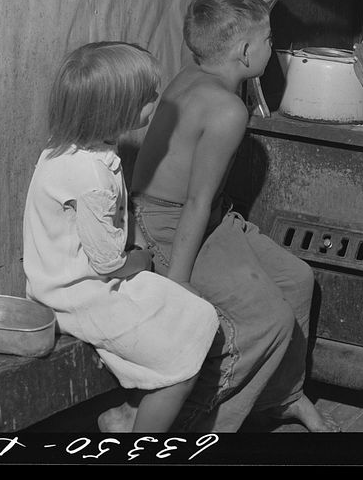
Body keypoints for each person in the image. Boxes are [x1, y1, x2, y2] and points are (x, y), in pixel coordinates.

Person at [126, 0, 339, 432]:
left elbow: (205, 202)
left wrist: (252, 1)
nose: (270, 46)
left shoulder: (201, 72)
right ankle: (175, 423)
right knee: (269, 321)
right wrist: (177, 285)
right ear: (245, 53)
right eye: (268, 39)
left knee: (298, 280)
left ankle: (282, 398)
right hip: (168, 223)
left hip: (204, 214)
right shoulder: (228, 111)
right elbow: (197, 203)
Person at [23, 42, 220, 432]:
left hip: (79, 279)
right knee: (184, 354)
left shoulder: (67, 150)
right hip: (77, 293)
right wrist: (143, 260)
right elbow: (110, 263)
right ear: (117, 111)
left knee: (197, 313)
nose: (155, 101)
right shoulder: (91, 177)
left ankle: (127, 414)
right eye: (148, 98)